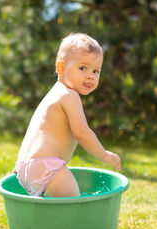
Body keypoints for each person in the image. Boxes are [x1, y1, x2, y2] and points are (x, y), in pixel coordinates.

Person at [14, 32, 121, 197]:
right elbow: (82, 133)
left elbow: (35, 130)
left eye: (96, 71)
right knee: (73, 208)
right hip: (48, 166)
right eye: (83, 68)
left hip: (26, 166)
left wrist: (23, 165)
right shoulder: (70, 96)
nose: (90, 76)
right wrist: (104, 155)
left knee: (50, 212)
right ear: (61, 68)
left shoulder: (54, 94)